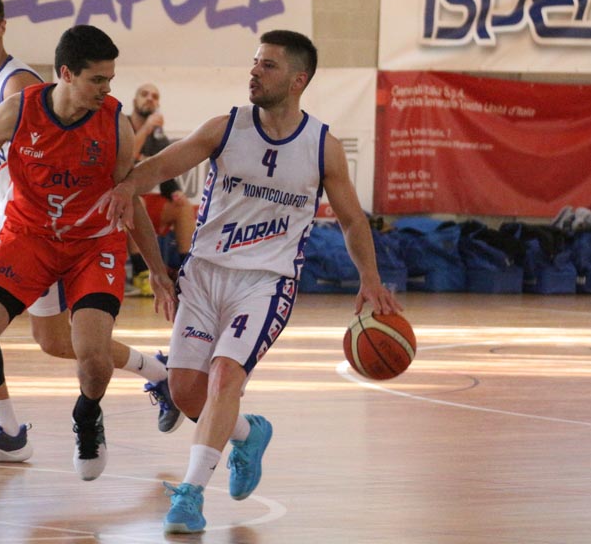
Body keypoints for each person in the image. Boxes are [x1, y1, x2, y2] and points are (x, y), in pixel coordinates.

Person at [101, 30, 402, 534]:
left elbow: (352, 220)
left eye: (268, 65)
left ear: (298, 80)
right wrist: (128, 183)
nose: (255, 71)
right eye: (255, 62)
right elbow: (164, 163)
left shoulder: (322, 147)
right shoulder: (226, 127)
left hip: (265, 283)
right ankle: (248, 433)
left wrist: (369, 279)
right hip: (203, 275)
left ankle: (191, 494)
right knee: (186, 391)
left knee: (225, 378)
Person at [0, 24, 176, 508]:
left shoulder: (115, 123)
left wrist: (159, 271)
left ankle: (87, 413)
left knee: (91, 358)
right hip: (29, 239)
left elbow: (132, 201)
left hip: (92, 244)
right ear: (66, 74)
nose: (107, 89)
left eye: (110, 79)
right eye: (98, 80)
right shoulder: (18, 111)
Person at [0, 0, 181, 467]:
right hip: (6, 218)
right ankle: (8, 427)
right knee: (1, 326)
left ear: (2, 27)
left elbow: (47, 153)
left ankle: (153, 375)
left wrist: (157, 268)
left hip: (38, 222)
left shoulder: (18, 86)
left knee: (53, 340)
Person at [125, 83, 197, 295]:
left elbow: (164, 171)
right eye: (144, 94)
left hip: (144, 200)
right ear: (134, 101)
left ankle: (186, 271)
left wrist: (174, 192)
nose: (150, 98)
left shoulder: (157, 136)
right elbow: (126, 159)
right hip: (118, 201)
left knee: (183, 206)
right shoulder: (122, 125)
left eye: (154, 96)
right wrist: (146, 128)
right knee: (136, 201)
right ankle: (140, 272)